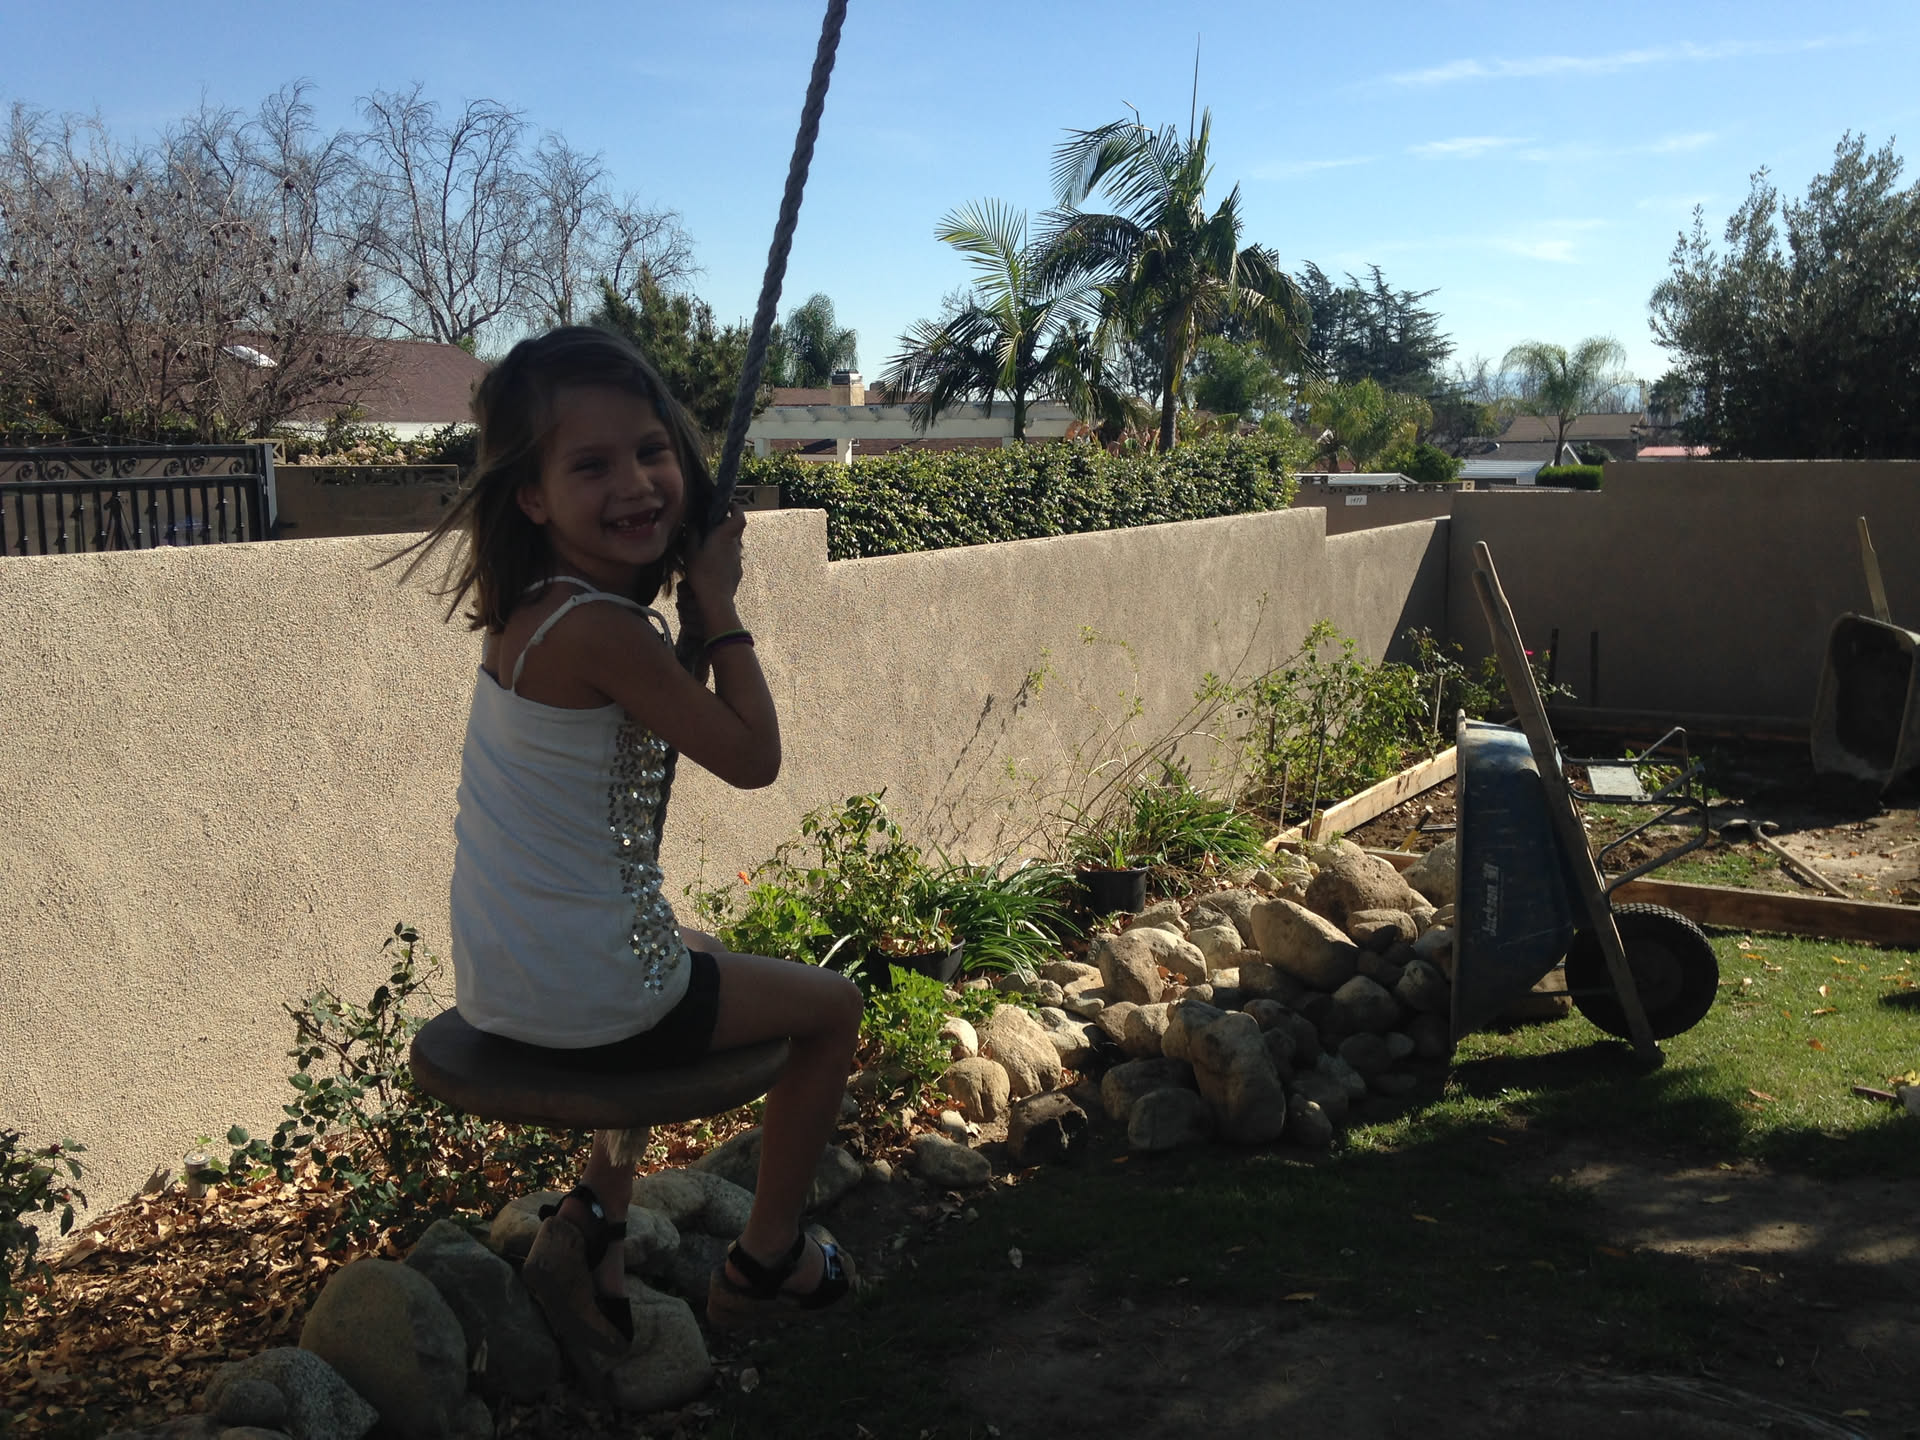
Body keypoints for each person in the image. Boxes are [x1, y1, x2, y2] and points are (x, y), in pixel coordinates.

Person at [392, 326, 864, 1364]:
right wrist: (719, 606)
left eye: (651, 451)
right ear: (531, 496)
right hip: (592, 997)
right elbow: (753, 758)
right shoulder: (603, 632)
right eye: (592, 465)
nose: (637, 484)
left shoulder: (529, 612)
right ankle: (768, 1258)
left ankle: (595, 1222)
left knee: (684, 940)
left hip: (505, 981)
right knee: (833, 1010)